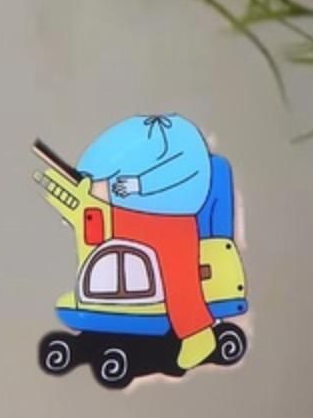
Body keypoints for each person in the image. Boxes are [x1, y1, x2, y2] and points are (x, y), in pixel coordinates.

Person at [76, 114, 217, 370]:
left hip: (174, 219)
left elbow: (186, 167)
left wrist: (140, 184)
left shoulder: (181, 134)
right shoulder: (137, 132)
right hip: (128, 212)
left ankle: (197, 332)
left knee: (178, 272)